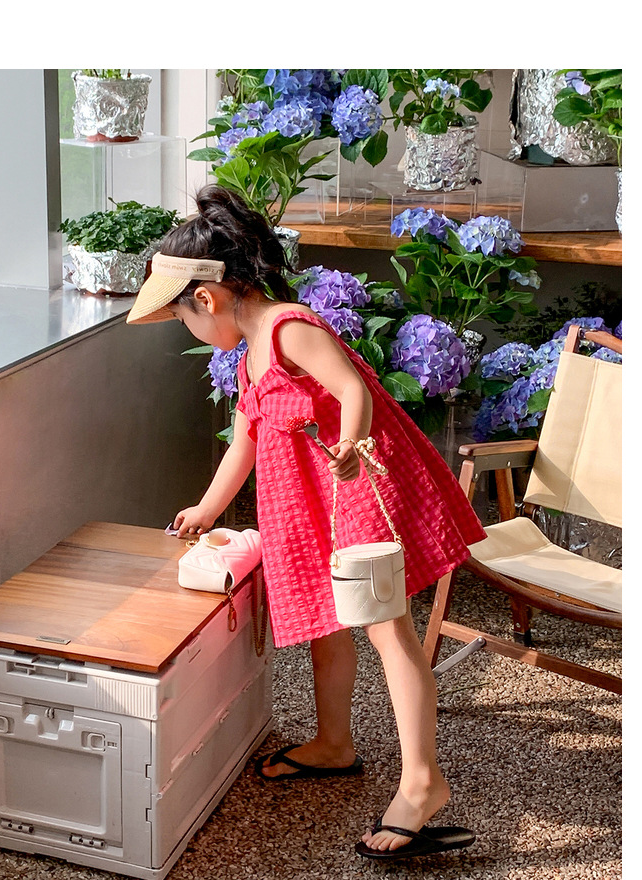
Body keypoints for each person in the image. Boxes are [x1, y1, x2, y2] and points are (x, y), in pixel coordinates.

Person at [126, 185, 486, 862]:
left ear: (207, 298)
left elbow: (351, 388)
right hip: (310, 508)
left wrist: (350, 443)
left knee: (388, 630)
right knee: (327, 623)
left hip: (353, 493)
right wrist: (206, 508)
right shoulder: (248, 356)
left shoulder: (290, 328)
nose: (186, 328)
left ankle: (422, 782)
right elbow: (246, 441)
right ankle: (333, 742)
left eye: (181, 318)